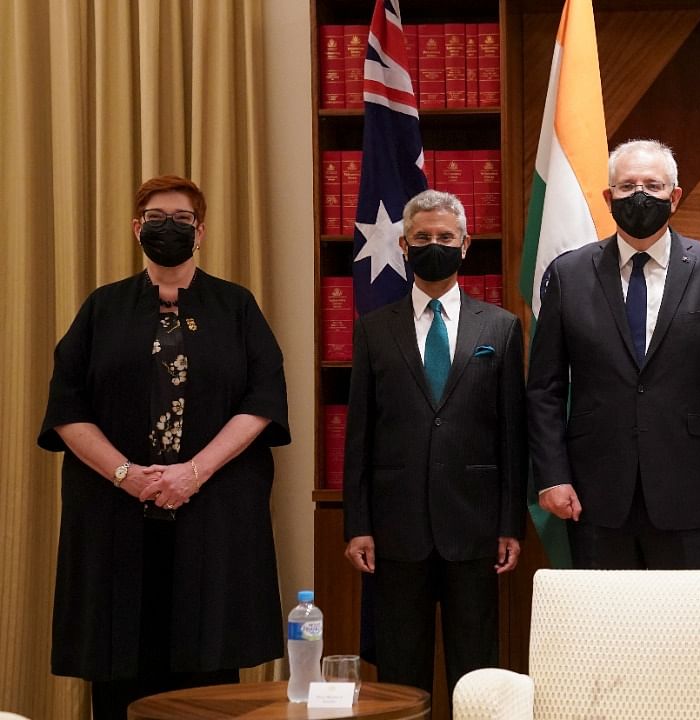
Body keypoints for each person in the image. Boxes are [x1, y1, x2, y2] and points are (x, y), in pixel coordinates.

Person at [37, 175, 290, 720]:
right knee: (121, 672)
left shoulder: (236, 306)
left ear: (200, 232)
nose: (167, 228)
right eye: (156, 218)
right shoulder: (102, 308)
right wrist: (128, 475)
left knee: (209, 678)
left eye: (180, 220)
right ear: (136, 229)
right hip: (115, 518)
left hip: (214, 518)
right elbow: (66, 408)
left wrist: (192, 473)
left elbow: (263, 401)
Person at [526, 139, 700, 570]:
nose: (640, 195)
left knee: (686, 631)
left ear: (674, 198)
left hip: (694, 491)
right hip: (594, 493)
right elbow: (544, 389)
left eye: (653, 186)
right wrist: (552, 474)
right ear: (608, 197)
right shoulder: (568, 274)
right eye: (627, 186)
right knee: (607, 632)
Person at [343, 189, 526, 695]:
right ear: (403, 245)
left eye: (445, 237)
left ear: (465, 245)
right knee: (402, 673)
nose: (434, 244)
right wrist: (357, 525)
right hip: (396, 529)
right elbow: (359, 435)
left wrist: (511, 523)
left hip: (476, 526)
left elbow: (513, 434)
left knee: (477, 671)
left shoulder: (503, 328)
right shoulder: (374, 330)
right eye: (422, 237)